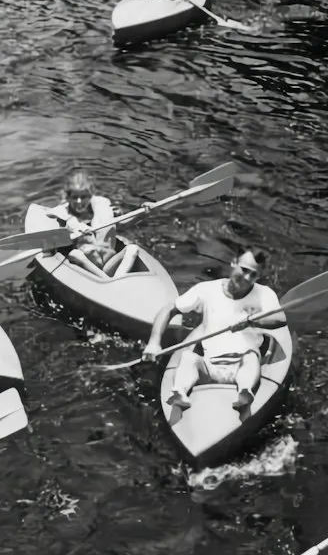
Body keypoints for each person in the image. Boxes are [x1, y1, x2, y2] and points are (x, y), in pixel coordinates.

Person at [142, 248, 286, 412]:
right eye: (244, 270)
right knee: (188, 358)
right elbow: (170, 309)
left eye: (253, 275)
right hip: (209, 366)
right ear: (234, 263)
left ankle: (245, 391)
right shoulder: (206, 290)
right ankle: (180, 392)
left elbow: (280, 319)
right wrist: (154, 343)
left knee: (251, 357)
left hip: (242, 365)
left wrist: (250, 321)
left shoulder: (264, 294)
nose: (247, 278)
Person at [42, 169, 139, 278]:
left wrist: (143, 214)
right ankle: (109, 282)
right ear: (68, 198)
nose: (79, 201)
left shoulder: (103, 206)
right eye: (74, 197)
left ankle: (115, 281)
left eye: (83, 197)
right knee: (75, 254)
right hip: (87, 268)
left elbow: (121, 225)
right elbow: (49, 222)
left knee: (132, 248)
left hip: (109, 263)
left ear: (90, 196)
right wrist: (71, 234)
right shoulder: (64, 214)